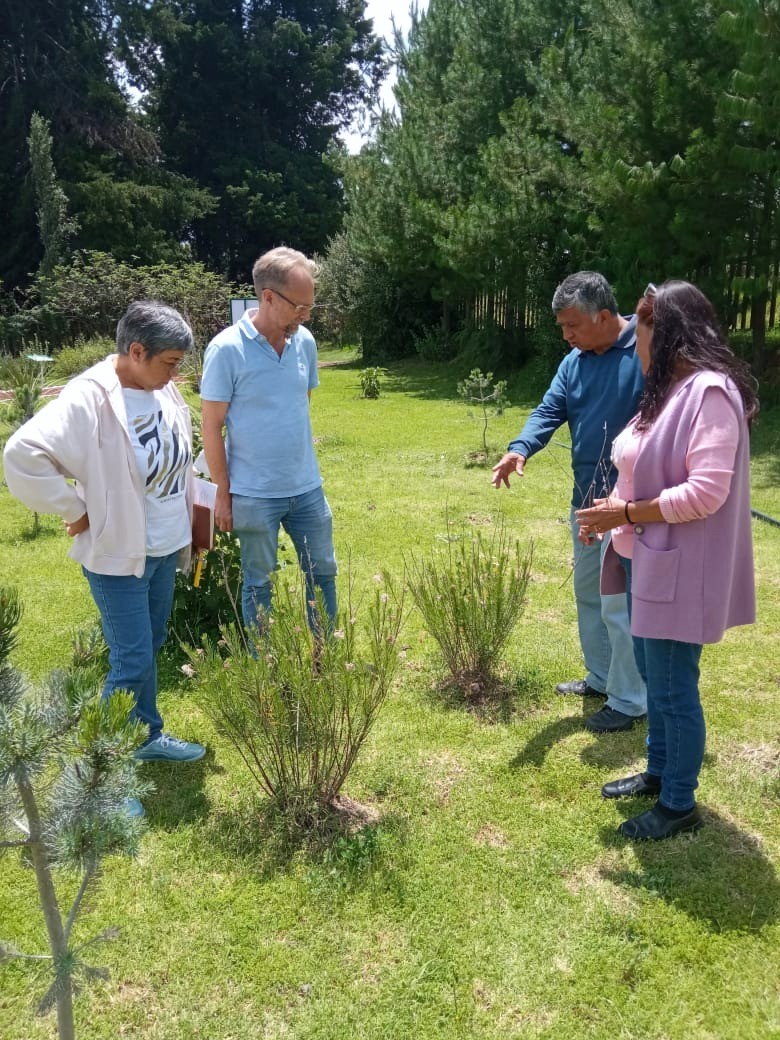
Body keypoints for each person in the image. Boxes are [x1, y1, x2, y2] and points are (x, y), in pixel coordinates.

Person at [3, 301, 206, 817]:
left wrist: (195, 524)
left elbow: (172, 464)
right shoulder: (90, 398)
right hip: (117, 555)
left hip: (163, 547)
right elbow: (21, 455)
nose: (176, 372)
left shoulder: (162, 388)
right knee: (131, 659)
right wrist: (75, 508)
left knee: (151, 644)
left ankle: (145, 734)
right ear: (135, 351)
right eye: (169, 361)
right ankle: (98, 780)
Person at [576, 280, 757, 840]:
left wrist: (625, 513)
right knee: (656, 677)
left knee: (675, 687)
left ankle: (680, 804)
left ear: (669, 330)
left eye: (642, 323)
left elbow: (705, 493)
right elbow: (644, 468)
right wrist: (613, 514)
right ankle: (659, 773)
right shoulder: (670, 390)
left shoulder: (709, 394)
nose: (634, 334)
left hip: (679, 569)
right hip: (645, 559)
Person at [492, 271, 646, 732]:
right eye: (562, 326)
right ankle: (600, 677)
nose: (566, 335)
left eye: (572, 325)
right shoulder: (575, 361)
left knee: (621, 603)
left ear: (603, 316)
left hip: (628, 506)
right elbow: (548, 410)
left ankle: (630, 699)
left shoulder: (646, 347)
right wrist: (520, 447)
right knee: (588, 593)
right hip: (586, 502)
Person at [200, 246, 337, 635]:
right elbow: (212, 427)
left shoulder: (305, 342)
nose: (306, 315)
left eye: (311, 307)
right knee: (260, 584)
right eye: (299, 306)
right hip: (254, 495)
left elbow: (300, 405)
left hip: (307, 489)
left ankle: (325, 662)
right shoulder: (227, 349)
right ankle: (265, 671)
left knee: (323, 574)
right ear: (269, 297)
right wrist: (222, 494)